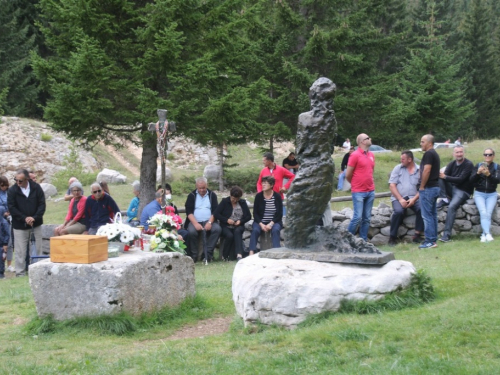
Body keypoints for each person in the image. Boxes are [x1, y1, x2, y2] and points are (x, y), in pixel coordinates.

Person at [7, 169, 46, 277]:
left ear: (27, 179)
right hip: (19, 226)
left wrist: (34, 217)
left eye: (20, 181)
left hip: (36, 224)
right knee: (20, 251)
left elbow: (42, 204)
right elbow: (12, 208)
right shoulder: (12, 191)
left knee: (38, 248)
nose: (18, 183)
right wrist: (24, 218)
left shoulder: (36, 188)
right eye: (16, 180)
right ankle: (20, 273)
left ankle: (38, 271)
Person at [437, 145, 474, 242]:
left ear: (463, 153)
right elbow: (444, 176)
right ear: (454, 154)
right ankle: (444, 198)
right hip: (453, 189)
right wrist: (442, 175)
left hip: (463, 191)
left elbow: (460, 180)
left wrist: (445, 177)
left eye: (461, 152)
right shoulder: (452, 164)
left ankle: (446, 235)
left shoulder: (468, 164)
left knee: (452, 207)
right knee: (439, 176)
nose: (459, 154)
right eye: (457, 152)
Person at [388, 151, 423, 246]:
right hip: (399, 197)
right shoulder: (397, 168)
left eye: (403, 159)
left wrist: (414, 199)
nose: (401, 160)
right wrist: (400, 199)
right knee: (398, 212)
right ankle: (392, 237)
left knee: (421, 209)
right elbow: (392, 185)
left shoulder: (420, 170)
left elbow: (422, 187)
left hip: (414, 197)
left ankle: (417, 235)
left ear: (410, 159)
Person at [345, 133, 375, 241]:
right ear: (362, 141)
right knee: (357, 217)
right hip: (358, 191)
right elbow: (348, 174)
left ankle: (363, 240)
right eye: (368, 138)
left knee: (366, 218)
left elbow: (371, 171)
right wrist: (354, 184)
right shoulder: (355, 155)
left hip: (370, 190)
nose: (370, 139)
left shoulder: (371, 155)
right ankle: (347, 240)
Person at [184, 177, 221, 262]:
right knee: (192, 231)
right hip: (195, 221)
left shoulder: (212, 195)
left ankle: (207, 254)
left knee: (217, 229)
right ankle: (194, 255)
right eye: (200, 188)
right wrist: (196, 224)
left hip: (209, 220)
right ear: (196, 187)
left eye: (203, 188)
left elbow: (215, 211)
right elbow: (189, 212)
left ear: (206, 186)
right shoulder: (191, 195)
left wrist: (210, 222)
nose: (202, 190)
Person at [214, 186, 251, 261]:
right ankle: (225, 256)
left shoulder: (242, 203)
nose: (234, 200)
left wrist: (240, 221)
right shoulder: (225, 201)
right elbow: (216, 214)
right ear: (230, 196)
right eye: (233, 198)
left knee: (237, 232)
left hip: (238, 225)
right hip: (225, 225)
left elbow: (249, 216)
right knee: (229, 235)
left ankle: (239, 254)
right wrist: (226, 220)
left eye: (237, 199)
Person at [470, 148, 500, 242]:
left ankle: (484, 234)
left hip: (491, 194)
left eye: (490, 154)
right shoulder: (478, 165)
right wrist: (478, 173)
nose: (487, 156)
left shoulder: (496, 167)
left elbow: (498, 180)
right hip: (479, 193)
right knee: (483, 212)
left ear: (493, 156)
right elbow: (471, 180)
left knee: (488, 213)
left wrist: (489, 175)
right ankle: (487, 234)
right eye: (485, 154)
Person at [249, 176, 283, 255]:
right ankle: (251, 252)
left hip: (275, 221)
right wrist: (261, 224)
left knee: (275, 230)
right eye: (262, 183)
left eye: (265, 183)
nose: (263, 185)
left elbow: (279, 214)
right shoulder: (259, 196)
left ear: (271, 185)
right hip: (260, 221)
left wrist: (271, 224)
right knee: (255, 230)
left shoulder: (277, 196)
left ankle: (276, 252)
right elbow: (255, 213)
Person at [418, 134, 441, 249]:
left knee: (426, 215)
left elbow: (427, 170)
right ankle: (433, 239)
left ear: (430, 143)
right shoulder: (434, 154)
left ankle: (430, 241)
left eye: (423, 142)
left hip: (429, 188)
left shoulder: (429, 154)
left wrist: (422, 186)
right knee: (432, 215)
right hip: (435, 187)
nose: (421, 144)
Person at [0, 176, 14, 273]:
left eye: (6, 185)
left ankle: (9, 264)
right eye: (2, 185)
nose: (4, 187)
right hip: (1, 218)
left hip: (9, 219)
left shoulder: (9, 192)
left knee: (9, 243)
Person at [0, 206, 10, 279]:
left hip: (1, 244)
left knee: (1, 259)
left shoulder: (4, 222)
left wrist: (5, 243)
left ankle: (1, 273)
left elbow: (7, 234)